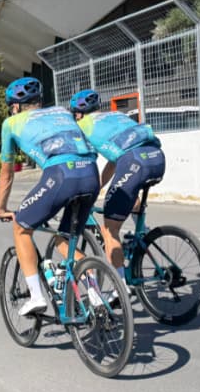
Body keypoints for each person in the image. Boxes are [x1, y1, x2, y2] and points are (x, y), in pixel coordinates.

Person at [0, 77, 100, 316]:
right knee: (65, 240)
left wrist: (1, 208)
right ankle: (96, 296)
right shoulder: (62, 112)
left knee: (21, 227)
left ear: (15, 106)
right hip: (90, 173)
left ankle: (36, 296)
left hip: (61, 175)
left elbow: (7, 173)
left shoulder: (11, 123)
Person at [70, 89, 166, 292]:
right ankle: (143, 231)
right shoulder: (116, 116)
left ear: (77, 114)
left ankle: (120, 288)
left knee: (109, 230)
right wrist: (98, 186)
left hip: (134, 162)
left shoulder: (82, 126)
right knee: (127, 190)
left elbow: (85, 162)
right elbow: (114, 161)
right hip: (157, 157)